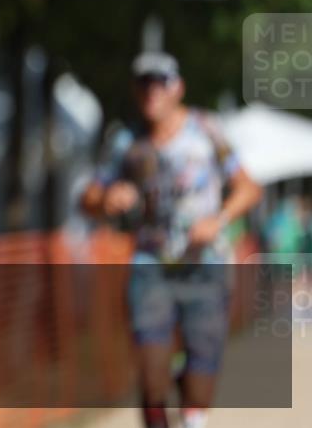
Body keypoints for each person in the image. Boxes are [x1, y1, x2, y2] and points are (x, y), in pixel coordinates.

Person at [82, 51, 263, 428]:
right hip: (151, 267)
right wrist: (107, 197)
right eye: (143, 84)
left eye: (160, 83)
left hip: (205, 266)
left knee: (198, 390)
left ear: (178, 88)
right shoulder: (126, 141)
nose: (152, 92)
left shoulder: (207, 130)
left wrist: (218, 219)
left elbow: (249, 188)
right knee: (151, 380)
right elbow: (87, 198)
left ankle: (188, 388)